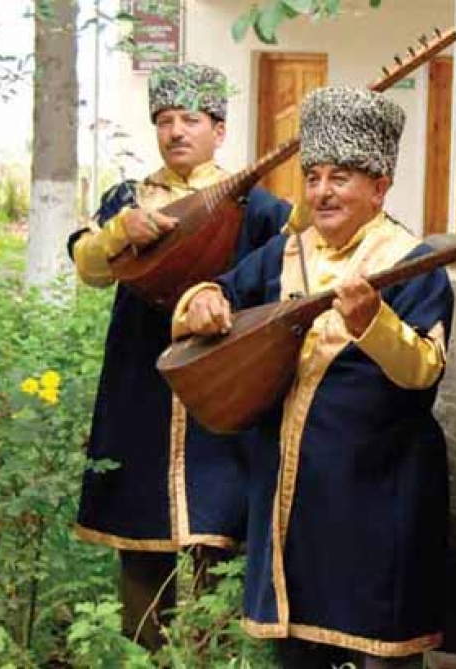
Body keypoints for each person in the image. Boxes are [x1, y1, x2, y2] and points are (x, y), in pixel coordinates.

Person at [173, 85, 454, 668]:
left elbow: (424, 371)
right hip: (291, 502)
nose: (322, 192)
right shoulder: (285, 256)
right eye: (314, 177)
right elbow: (219, 291)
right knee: (297, 647)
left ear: (379, 188)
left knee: (378, 650)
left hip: (380, 496)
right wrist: (200, 301)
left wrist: (373, 322)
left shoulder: (410, 262)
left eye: (341, 178)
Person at [67, 62, 293, 650]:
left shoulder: (257, 205)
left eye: (190, 119)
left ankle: (215, 654)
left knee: (219, 538)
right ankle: (147, 654)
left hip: (224, 391)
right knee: (141, 539)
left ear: (219, 130)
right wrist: (120, 235)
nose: (175, 132)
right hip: (141, 385)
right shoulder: (129, 200)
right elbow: (89, 268)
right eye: (164, 120)